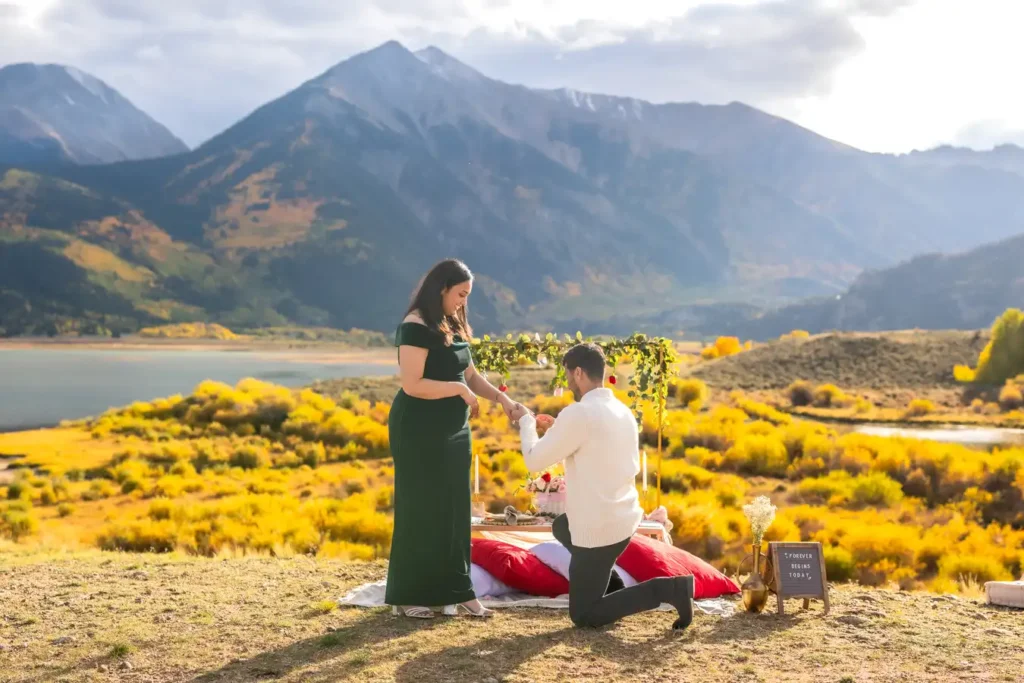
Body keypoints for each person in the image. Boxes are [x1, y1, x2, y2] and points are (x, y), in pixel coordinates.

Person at [509, 343, 694, 629]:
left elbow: (534, 461)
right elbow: (595, 444)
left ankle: (671, 590)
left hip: (598, 529)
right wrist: (558, 429)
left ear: (579, 372)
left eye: (568, 374)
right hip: (623, 518)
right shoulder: (619, 411)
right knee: (562, 527)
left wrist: (525, 424)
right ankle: (614, 589)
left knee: (584, 615)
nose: (568, 380)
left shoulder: (580, 414)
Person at [385, 258, 522, 620]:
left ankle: (460, 591)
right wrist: (457, 389)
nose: (463, 302)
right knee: (421, 509)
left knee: (454, 509)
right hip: (417, 427)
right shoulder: (413, 326)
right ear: (442, 288)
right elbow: (412, 385)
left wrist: (503, 399)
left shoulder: (452, 323)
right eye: (460, 294)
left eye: (467, 296)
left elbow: (471, 375)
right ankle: (409, 594)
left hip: (454, 429)